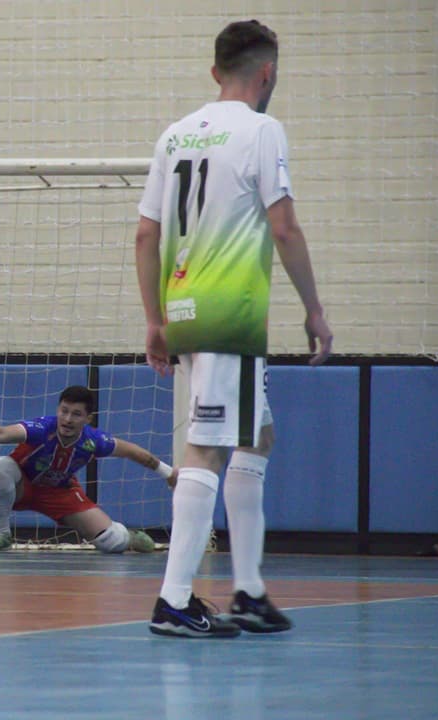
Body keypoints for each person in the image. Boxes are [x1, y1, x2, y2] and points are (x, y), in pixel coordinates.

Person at [135, 20, 333, 638]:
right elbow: (284, 228)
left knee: (257, 437)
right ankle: (173, 599)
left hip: (186, 306)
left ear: (215, 71)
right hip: (230, 313)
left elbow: (147, 234)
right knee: (208, 447)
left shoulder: (174, 136)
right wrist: (315, 310)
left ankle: (247, 590)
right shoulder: (261, 129)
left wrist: (154, 320)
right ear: (267, 73)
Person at [0, 385, 177, 555]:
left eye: (76, 414)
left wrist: (169, 473)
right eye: (64, 411)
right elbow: (0, 434)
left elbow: (133, 452)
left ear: (88, 419)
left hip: (60, 492)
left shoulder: (94, 441)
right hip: (23, 484)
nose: (68, 419)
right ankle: (1, 533)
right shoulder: (42, 429)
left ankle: (130, 538)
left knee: (112, 542)